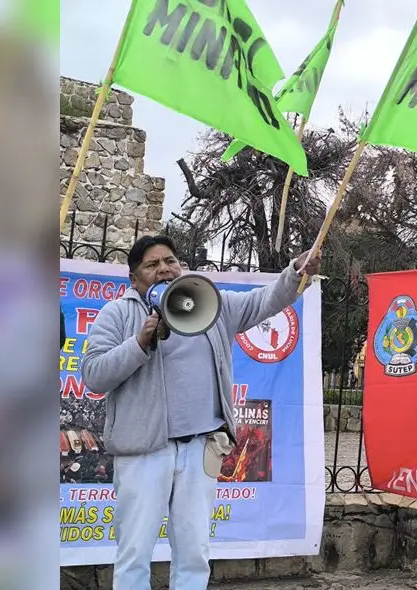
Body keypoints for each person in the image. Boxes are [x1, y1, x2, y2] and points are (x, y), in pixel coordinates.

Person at [81, 235, 319, 590]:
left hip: (200, 450)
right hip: (144, 453)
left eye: (170, 261)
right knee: (134, 553)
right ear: (134, 279)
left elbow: (264, 301)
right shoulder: (117, 314)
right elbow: (94, 374)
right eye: (151, 264)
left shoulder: (211, 304)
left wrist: (295, 273)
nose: (164, 268)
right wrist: (140, 343)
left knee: (194, 553)